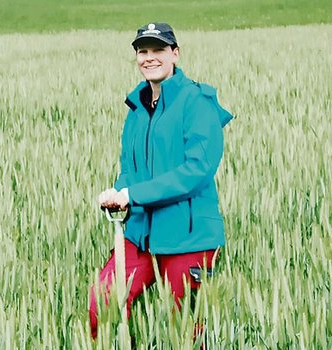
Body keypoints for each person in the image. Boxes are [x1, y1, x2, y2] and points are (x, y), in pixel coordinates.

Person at [91, 22, 233, 340]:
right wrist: (117, 192)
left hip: (189, 238)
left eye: (158, 50)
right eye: (143, 51)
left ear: (175, 54)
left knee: (187, 332)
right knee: (101, 303)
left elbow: (196, 172)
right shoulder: (137, 109)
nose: (149, 58)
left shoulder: (198, 103)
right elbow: (130, 168)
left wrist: (134, 194)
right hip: (140, 234)